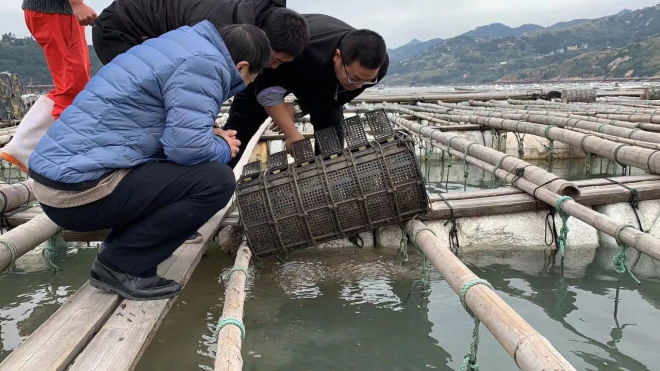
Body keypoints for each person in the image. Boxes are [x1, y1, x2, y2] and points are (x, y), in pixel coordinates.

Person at [28, 22, 271, 301]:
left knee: (196, 170)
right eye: (248, 80)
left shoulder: (180, 45)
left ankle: (117, 251)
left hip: (60, 180)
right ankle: (122, 266)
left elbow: (155, 125)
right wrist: (222, 146)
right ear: (241, 67)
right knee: (216, 180)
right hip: (79, 192)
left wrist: (206, 135)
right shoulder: (206, 65)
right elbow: (186, 149)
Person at [224, 14, 389, 166]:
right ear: (337, 56)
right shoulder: (307, 51)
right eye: (354, 77)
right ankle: (210, 182)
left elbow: (332, 100)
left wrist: (297, 108)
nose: (358, 86)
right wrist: (291, 133)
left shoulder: (376, 69)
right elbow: (266, 90)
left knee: (331, 148)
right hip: (268, 72)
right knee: (236, 135)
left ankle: (323, 188)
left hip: (325, 91)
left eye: (366, 81)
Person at [0, 0, 97, 171]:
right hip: (57, 12)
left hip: (54, 12)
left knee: (73, 87)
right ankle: (63, 156)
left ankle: (23, 146)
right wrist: (76, 4)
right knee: (72, 90)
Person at [92, 0, 308, 69]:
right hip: (119, 32)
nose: (273, 67)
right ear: (264, 39)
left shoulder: (252, 14)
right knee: (149, 97)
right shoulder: (217, 33)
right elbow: (190, 83)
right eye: (275, 60)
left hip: (157, 33)